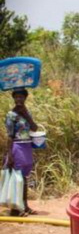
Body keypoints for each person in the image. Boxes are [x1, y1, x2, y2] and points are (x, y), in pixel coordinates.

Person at [4, 88, 38, 216]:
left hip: (27, 147)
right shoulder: (11, 115)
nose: (19, 99)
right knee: (16, 179)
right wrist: (10, 154)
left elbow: (34, 128)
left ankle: (25, 206)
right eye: (16, 97)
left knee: (24, 178)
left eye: (21, 97)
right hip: (17, 147)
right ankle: (15, 209)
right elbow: (10, 136)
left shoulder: (27, 112)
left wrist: (26, 115)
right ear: (13, 99)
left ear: (25, 98)